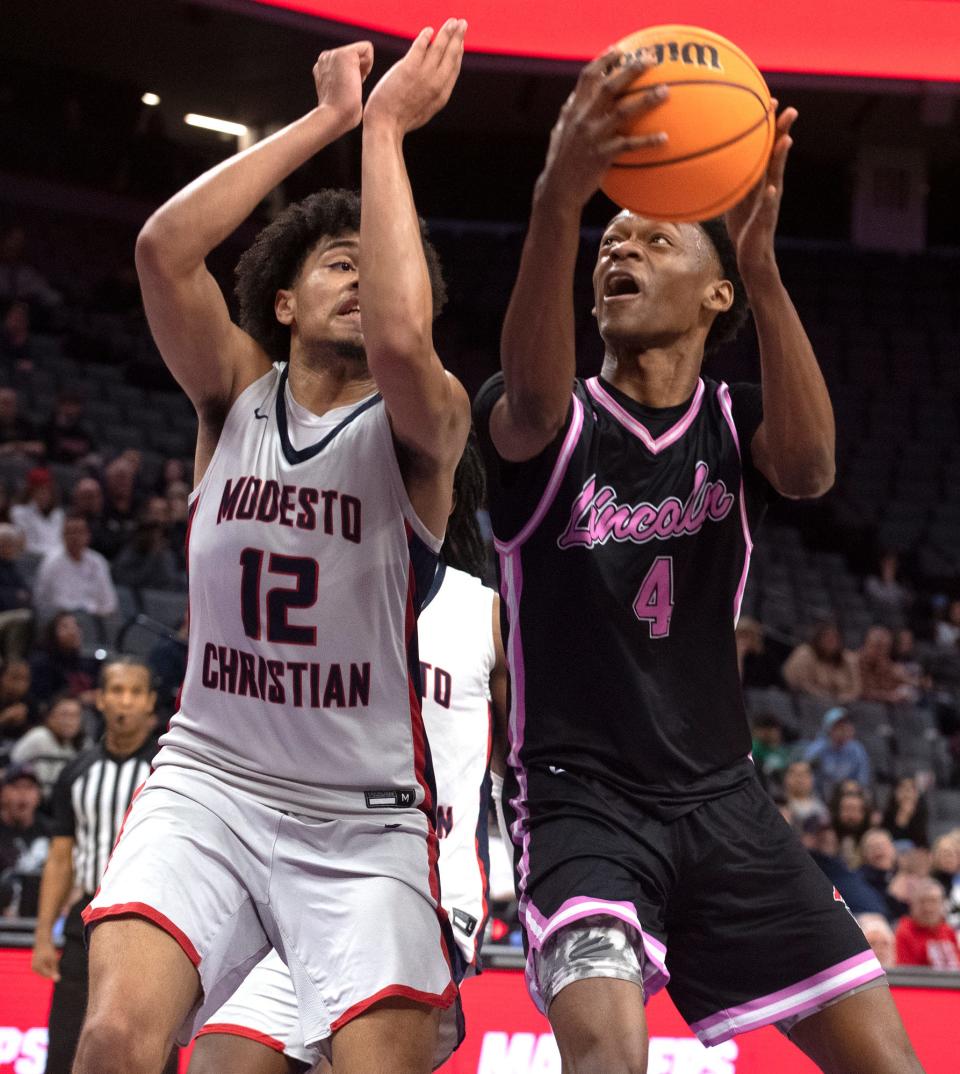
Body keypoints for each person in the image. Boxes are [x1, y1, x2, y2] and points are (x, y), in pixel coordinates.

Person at [473, 45, 921, 1072]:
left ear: (716, 297)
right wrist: (558, 200)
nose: (617, 248)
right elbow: (533, 398)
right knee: (609, 1058)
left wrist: (761, 266)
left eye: (654, 238)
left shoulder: (731, 420)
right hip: (579, 798)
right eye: (610, 238)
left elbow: (809, 470)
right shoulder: (545, 422)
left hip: (726, 801)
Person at [74, 27, 472, 1074]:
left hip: (363, 817)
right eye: (336, 262)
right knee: (115, 1037)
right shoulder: (233, 396)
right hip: (212, 778)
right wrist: (331, 120)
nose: (362, 278)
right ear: (282, 301)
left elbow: (399, 338)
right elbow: (162, 248)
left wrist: (387, 131)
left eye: (374, 264)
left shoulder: (424, 421)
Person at [189, 442, 508, 1074]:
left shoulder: (484, 613)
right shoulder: (307, 597)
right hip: (301, 879)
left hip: (421, 892)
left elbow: (524, 769)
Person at [30, 658, 175, 1074]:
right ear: (100, 699)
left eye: (134, 691)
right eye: (115, 690)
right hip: (85, 922)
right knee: (64, 1043)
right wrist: (43, 934)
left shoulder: (168, 772)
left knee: (148, 1044)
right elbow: (61, 857)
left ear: (150, 701)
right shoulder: (76, 772)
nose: (124, 701)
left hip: (153, 919)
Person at [33, 514, 118, 622]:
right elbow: (58, 602)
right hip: (57, 620)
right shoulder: (52, 562)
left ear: (88, 536)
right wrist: (88, 609)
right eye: (70, 533)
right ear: (63, 536)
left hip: (94, 619)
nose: (75, 537)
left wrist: (99, 612)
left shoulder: (97, 561)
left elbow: (109, 600)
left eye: (79, 532)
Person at [10, 693, 85, 804]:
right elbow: (12, 766)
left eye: (75, 716)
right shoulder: (39, 737)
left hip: (61, 805)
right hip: (36, 805)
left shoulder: (79, 746)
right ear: (49, 717)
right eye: (64, 715)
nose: (69, 721)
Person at [0, 762, 51, 915]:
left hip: (41, 913)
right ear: (2, 793)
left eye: (29, 787)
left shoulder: (51, 831)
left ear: (39, 795)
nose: (23, 794)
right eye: (16, 787)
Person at [782, 621, 861, 704]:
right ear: (819, 639)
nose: (832, 642)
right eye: (828, 638)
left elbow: (855, 689)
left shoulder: (848, 659)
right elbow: (801, 683)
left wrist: (842, 699)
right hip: (807, 701)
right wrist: (823, 697)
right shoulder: (805, 654)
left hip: (842, 704)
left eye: (835, 638)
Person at [804, 707, 871, 800]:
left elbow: (862, 780)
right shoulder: (817, 749)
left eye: (847, 725)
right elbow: (808, 777)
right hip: (819, 796)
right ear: (828, 729)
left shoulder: (857, 750)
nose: (844, 729)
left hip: (847, 797)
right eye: (839, 726)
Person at [894, 878, 960, 969]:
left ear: (942, 904)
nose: (928, 908)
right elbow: (906, 974)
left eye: (933, 901)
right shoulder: (904, 932)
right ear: (912, 905)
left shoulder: (948, 931)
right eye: (922, 902)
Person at [10, 467, 64, 558]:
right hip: (32, 559)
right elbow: (26, 545)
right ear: (31, 491)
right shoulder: (19, 512)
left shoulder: (58, 514)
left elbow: (61, 542)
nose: (44, 493)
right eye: (40, 489)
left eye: (47, 490)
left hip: (57, 560)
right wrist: (53, 554)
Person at [857, 829, 909, 923]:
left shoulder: (905, 874)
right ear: (864, 853)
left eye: (883, 845)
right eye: (872, 847)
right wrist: (891, 896)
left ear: (893, 849)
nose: (878, 850)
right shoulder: (859, 880)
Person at [0, 521, 34, 660]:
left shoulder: (16, 567)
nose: (8, 548)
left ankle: (18, 662)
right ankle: (12, 662)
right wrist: (15, 597)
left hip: (14, 615)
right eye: (4, 544)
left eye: (10, 544)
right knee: (23, 617)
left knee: (26, 617)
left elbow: (28, 594)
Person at [880, 775, 929, 848]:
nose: (907, 793)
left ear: (917, 794)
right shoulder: (886, 815)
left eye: (911, 789)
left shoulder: (922, 814)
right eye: (903, 788)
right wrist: (902, 816)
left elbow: (923, 845)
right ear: (895, 792)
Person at [782, 759, 829, 826]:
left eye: (804, 774)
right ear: (786, 778)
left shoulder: (821, 807)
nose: (799, 779)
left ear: (812, 779)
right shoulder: (778, 806)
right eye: (795, 774)